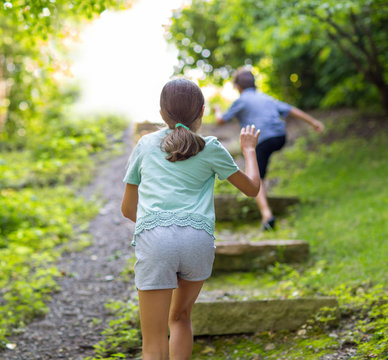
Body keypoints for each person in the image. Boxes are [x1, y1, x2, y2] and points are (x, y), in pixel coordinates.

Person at [121, 78, 261, 360]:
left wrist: (156, 226)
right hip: (197, 239)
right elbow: (252, 189)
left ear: (162, 113)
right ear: (202, 112)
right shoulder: (210, 148)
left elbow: (127, 209)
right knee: (181, 317)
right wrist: (249, 150)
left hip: (155, 239)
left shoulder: (146, 145)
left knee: (153, 341)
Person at [213, 68, 324, 230]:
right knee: (261, 166)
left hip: (262, 139)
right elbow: (291, 110)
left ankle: (267, 215)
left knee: (255, 178)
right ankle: (266, 212)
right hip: (280, 136)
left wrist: (217, 110)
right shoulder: (266, 98)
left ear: (237, 87)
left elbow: (221, 121)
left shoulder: (241, 100)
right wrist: (313, 122)